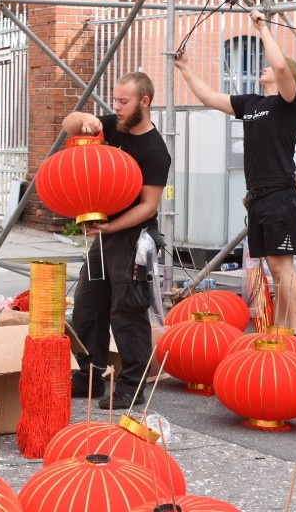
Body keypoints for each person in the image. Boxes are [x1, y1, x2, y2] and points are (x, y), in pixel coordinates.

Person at [174, 9, 296, 338]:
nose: (263, 68)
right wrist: (186, 68)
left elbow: (278, 65)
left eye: (270, 68)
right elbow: (207, 97)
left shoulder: (289, 103)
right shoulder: (250, 103)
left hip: (280, 194)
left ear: (286, 77)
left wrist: (262, 27)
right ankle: (281, 331)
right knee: (274, 268)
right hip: (258, 198)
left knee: (283, 266)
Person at [62, 72, 171, 410]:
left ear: (145, 102)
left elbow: (148, 206)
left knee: (126, 311)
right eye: (115, 100)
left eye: (124, 101)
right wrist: (84, 118)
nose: (117, 107)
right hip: (104, 235)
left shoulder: (155, 150)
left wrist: (110, 228)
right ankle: (91, 374)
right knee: (87, 304)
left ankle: (131, 386)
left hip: (132, 237)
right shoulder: (111, 125)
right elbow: (68, 124)